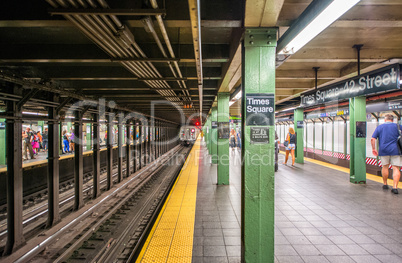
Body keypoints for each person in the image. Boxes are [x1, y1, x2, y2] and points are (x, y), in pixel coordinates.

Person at [371, 114, 402, 194]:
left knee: (385, 167)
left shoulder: (380, 127)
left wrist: (374, 149)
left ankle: (385, 184)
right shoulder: (398, 126)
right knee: (396, 168)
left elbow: (372, 139)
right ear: (393, 120)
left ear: (385, 119)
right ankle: (395, 187)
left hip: (383, 150)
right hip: (396, 150)